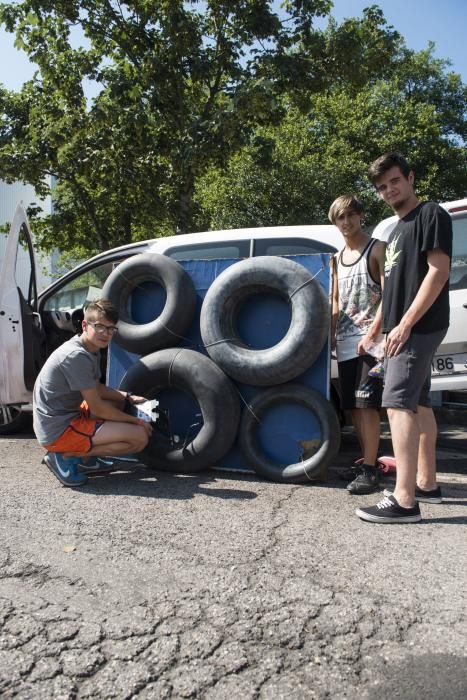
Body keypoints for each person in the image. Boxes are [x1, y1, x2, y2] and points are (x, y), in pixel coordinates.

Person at [356, 152, 452, 523]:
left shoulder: (430, 214)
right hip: (399, 328)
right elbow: (392, 289)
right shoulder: (393, 232)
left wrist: (406, 324)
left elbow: (438, 272)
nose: (389, 190)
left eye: (394, 181)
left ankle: (405, 500)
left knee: (397, 403)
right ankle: (427, 483)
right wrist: (375, 328)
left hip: (418, 327)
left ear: (410, 178)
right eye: (381, 187)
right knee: (419, 402)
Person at [33, 299, 152, 487]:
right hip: (57, 429)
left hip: (65, 415)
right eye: (99, 327)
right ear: (85, 325)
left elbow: (97, 389)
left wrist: (128, 396)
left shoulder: (90, 349)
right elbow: (97, 407)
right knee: (139, 438)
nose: (106, 334)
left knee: (117, 402)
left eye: (111, 329)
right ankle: (65, 455)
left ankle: (86, 459)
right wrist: (136, 421)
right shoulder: (76, 356)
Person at [329, 195, 386, 494]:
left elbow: (390, 297)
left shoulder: (377, 249)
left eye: (351, 215)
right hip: (346, 344)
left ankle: (369, 471)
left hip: (373, 345)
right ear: (334, 221)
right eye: (340, 217)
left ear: (360, 215)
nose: (346, 222)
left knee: (367, 407)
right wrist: (330, 333)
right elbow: (336, 301)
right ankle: (369, 464)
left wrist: (371, 334)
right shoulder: (336, 259)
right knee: (352, 409)